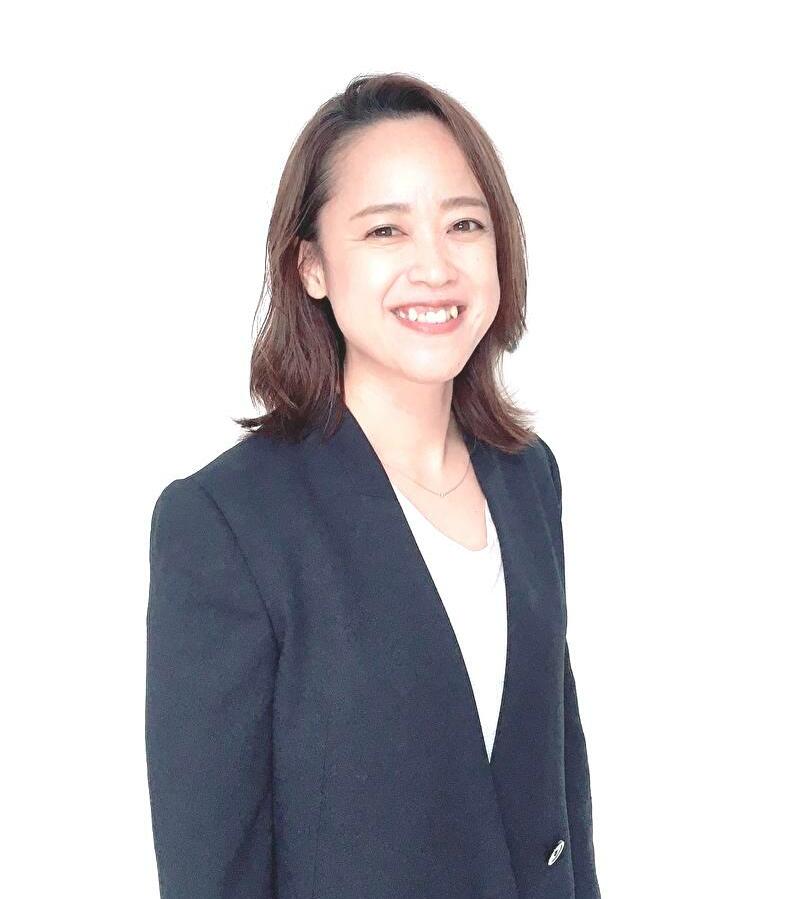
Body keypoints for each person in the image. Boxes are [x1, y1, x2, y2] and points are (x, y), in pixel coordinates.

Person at [145, 72, 601, 899]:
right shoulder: (228, 522)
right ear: (312, 266)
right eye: (386, 229)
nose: (435, 265)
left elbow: (559, 793)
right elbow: (213, 871)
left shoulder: (527, 475)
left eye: (464, 223)